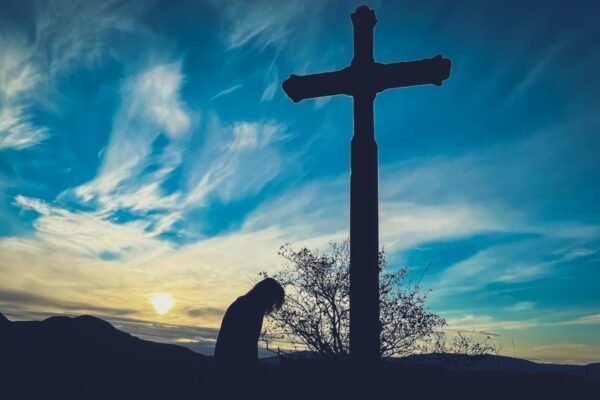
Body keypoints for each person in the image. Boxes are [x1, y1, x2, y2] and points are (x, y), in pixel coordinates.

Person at [214, 278, 284, 398]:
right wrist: (253, 368)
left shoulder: (246, 304)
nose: (271, 306)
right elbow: (246, 343)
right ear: (267, 295)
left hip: (229, 360)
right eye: (272, 301)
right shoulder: (251, 308)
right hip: (234, 363)